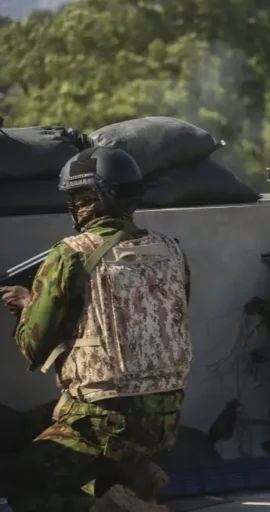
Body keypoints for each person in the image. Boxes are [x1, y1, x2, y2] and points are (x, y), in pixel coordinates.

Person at [0, 147, 194, 511]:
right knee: (36, 423)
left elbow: (33, 346)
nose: (74, 205)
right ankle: (134, 474)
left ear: (94, 198)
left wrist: (28, 304)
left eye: (77, 196)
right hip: (165, 421)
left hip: (106, 421)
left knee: (20, 478)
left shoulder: (70, 254)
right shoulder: (172, 251)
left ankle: (117, 505)